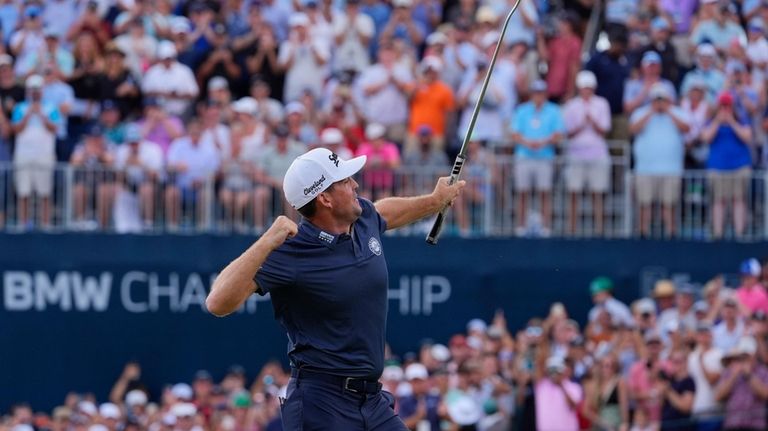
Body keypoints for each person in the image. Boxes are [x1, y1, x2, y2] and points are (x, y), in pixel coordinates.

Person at [205, 146, 464, 430]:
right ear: (324, 198)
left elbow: (382, 212)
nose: (354, 184)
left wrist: (434, 201)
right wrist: (267, 241)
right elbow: (217, 302)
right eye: (344, 181)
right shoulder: (290, 250)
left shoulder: (361, 215)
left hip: (372, 401)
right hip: (320, 404)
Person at [629, 82, 690, 237]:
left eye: (662, 98)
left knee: (669, 204)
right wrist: (651, 111)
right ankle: (643, 234)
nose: (659, 101)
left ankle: (671, 234)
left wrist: (668, 110)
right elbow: (633, 130)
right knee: (644, 204)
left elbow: (686, 128)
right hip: (645, 168)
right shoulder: (641, 113)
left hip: (671, 168)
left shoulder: (677, 112)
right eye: (657, 98)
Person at [510, 79, 565, 237]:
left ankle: (545, 227)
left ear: (545, 94)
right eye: (535, 93)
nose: (538, 96)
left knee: (544, 192)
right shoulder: (522, 110)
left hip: (545, 157)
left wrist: (541, 143)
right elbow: (515, 133)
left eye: (540, 93)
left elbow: (558, 134)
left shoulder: (554, 110)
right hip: (524, 156)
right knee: (522, 192)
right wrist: (529, 143)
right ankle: (520, 226)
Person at [562, 70, 612, 236]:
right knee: (573, 192)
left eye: (589, 88)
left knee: (597, 193)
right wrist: (582, 124)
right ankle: (572, 229)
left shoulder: (602, 103)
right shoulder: (571, 105)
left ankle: (599, 230)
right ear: (579, 88)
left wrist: (592, 122)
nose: (586, 91)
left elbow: (604, 130)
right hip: (576, 154)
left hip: (598, 154)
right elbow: (568, 132)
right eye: (584, 87)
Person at [700, 91, 753, 239]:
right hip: (717, 168)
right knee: (719, 200)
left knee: (738, 199)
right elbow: (706, 138)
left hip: (739, 167)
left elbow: (747, 137)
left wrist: (731, 122)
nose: (725, 109)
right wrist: (718, 121)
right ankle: (718, 234)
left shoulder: (741, 120)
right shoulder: (711, 121)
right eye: (722, 105)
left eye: (727, 106)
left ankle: (739, 234)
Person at [11, 74, 60, 230]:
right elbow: (16, 129)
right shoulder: (20, 108)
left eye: (37, 90)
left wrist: (41, 114)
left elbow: (54, 128)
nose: (35, 93)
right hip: (24, 154)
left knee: (44, 191)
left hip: (44, 153)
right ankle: (23, 223)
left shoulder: (51, 107)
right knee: (23, 191)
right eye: (32, 90)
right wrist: (28, 114)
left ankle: (45, 223)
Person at [715, 336, 768, 431]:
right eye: (742, 355)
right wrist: (734, 375)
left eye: (747, 355)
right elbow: (718, 396)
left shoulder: (763, 371)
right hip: (733, 424)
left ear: (754, 355)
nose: (744, 359)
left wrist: (749, 376)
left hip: (755, 425)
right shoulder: (730, 371)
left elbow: (765, 394)